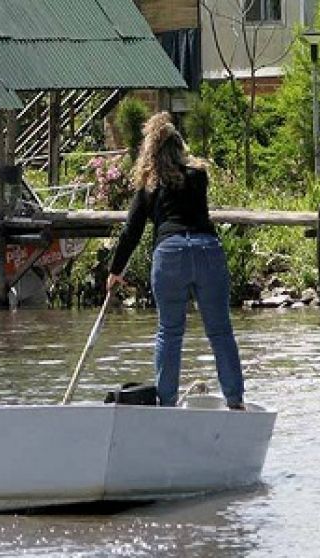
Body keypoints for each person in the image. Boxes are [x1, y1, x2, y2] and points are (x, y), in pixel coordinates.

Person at [106, 112, 245, 410]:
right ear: (179, 146)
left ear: (149, 152)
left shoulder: (149, 186)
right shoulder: (198, 176)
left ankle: (166, 404)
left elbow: (131, 231)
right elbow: (187, 177)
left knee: (169, 333)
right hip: (207, 250)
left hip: (170, 255)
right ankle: (235, 402)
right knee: (220, 331)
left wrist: (115, 270)